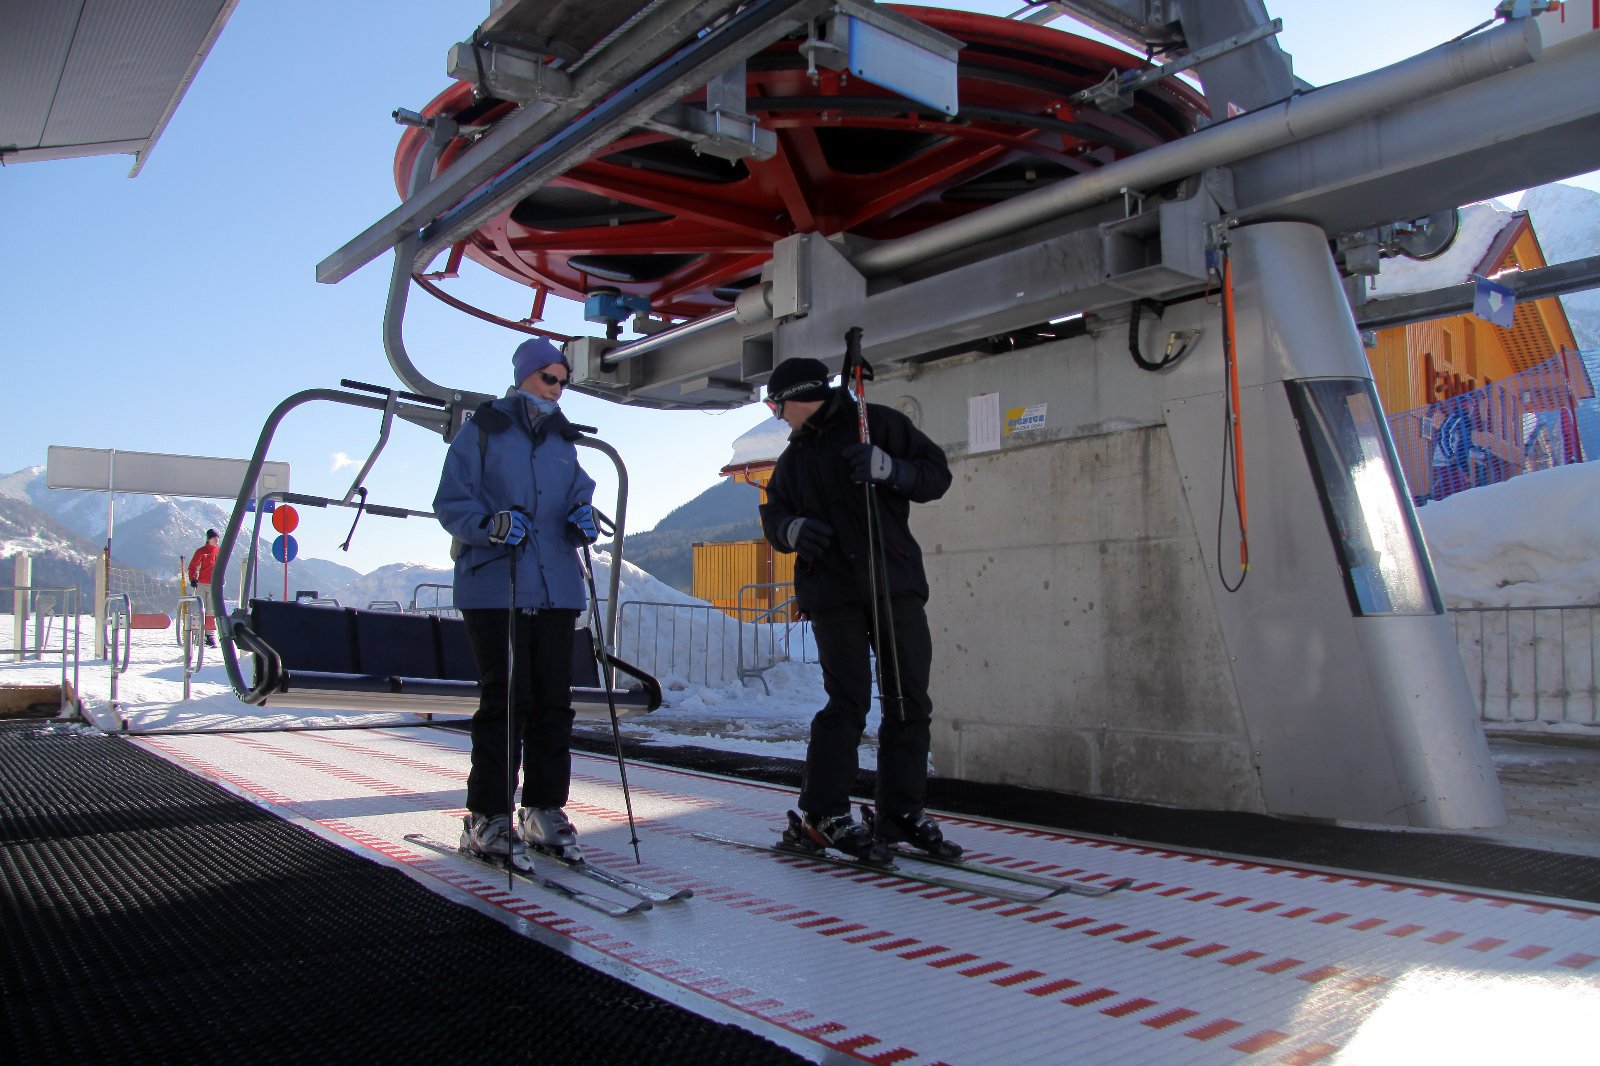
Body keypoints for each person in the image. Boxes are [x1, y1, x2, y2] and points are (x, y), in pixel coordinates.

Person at [758, 355, 959, 865]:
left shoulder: (879, 424)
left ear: (796, 396)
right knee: (847, 704)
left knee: (909, 699)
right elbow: (775, 516)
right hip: (833, 595)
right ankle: (822, 814)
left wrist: (890, 469)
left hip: (893, 585)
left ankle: (899, 813)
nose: (777, 415)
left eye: (777, 404)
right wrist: (791, 531)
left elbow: (936, 475)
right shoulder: (793, 459)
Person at [433, 337, 600, 868]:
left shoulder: (562, 440)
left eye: (563, 380)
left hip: (555, 588)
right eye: (549, 378)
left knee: (553, 702)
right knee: (506, 701)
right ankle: (487, 816)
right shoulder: (483, 430)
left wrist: (582, 520)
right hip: (495, 585)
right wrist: (490, 527)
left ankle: (543, 808)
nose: (557, 389)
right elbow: (451, 501)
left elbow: (579, 494)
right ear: (525, 375)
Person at [186, 528, 220, 647]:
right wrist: (193, 579)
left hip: (214, 584)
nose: (216, 540)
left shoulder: (219, 551)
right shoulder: (201, 551)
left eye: (217, 538)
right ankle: (197, 633)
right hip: (201, 583)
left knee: (211, 611)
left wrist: (221, 579)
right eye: (214, 538)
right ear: (209, 539)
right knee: (201, 609)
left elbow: (221, 567)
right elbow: (193, 566)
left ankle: (210, 635)